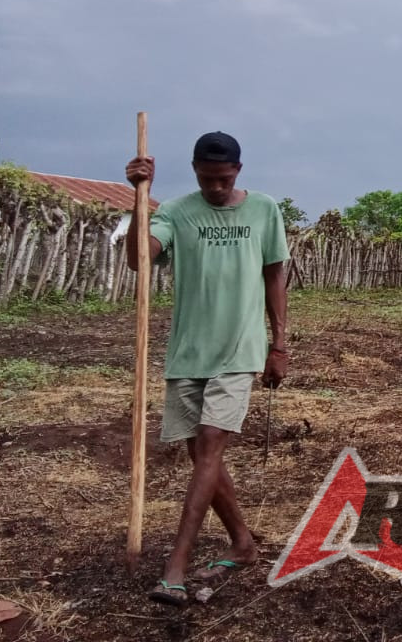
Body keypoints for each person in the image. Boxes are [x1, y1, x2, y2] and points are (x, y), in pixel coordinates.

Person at [124, 132, 289, 608]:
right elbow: (139, 260)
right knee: (203, 458)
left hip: (239, 351)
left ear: (238, 170)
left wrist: (279, 345)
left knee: (211, 448)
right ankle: (242, 544)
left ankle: (176, 565)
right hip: (187, 353)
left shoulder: (263, 210)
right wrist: (139, 197)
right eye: (206, 178)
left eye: (223, 179)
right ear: (194, 169)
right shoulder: (176, 211)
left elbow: (275, 274)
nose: (215, 187)